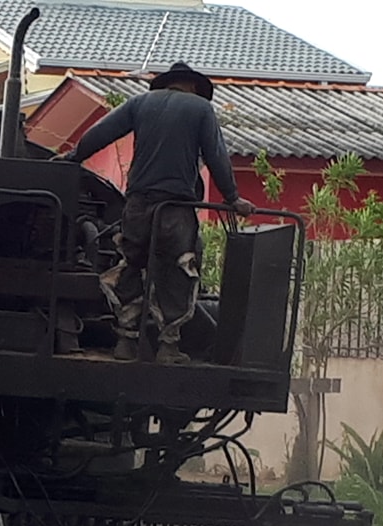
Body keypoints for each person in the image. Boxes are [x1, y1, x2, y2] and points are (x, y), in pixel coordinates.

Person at [61, 61, 252, 365]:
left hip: (138, 205)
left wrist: (72, 158)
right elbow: (216, 155)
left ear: (167, 84)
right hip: (175, 209)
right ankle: (168, 346)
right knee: (176, 272)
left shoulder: (140, 103)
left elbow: (100, 133)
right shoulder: (200, 109)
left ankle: (125, 341)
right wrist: (233, 197)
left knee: (131, 265)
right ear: (193, 86)